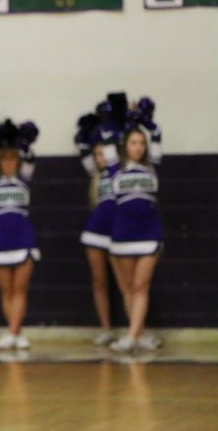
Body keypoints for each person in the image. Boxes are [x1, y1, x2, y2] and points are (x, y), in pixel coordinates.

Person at [100, 98, 163, 353]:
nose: (138, 147)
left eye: (141, 143)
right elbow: (106, 137)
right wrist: (113, 117)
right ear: (126, 145)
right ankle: (139, 333)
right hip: (122, 234)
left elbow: (157, 134)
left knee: (140, 286)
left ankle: (131, 336)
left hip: (149, 233)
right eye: (134, 142)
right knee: (127, 287)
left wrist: (146, 121)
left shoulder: (153, 166)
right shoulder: (116, 169)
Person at [0, 120, 40, 350]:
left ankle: (13, 331)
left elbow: (31, 157)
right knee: (6, 291)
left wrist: (21, 140)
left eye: (12, 158)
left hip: (23, 238)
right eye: (4, 158)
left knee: (19, 290)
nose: (8, 162)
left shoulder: (24, 180)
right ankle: (14, 331)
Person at [75, 113, 117, 346]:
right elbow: (81, 144)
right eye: (97, 154)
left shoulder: (121, 170)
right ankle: (106, 328)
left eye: (103, 153)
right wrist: (91, 126)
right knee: (99, 281)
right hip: (95, 232)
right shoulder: (95, 174)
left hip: (121, 232)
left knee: (127, 284)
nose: (100, 158)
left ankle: (137, 330)